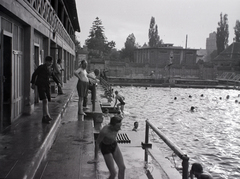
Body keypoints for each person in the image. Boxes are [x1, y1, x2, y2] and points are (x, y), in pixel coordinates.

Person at [31, 56, 60, 124]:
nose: (51, 63)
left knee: (46, 101)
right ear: (47, 61)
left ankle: (45, 116)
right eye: (50, 62)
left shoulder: (50, 69)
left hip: (46, 86)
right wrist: (33, 83)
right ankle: (46, 116)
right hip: (41, 85)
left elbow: (53, 76)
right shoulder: (41, 68)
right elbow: (34, 74)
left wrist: (58, 82)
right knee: (45, 100)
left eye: (51, 62)